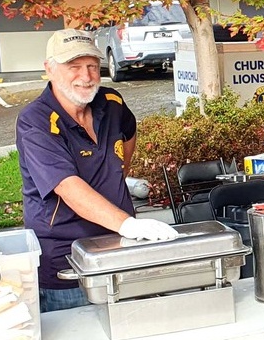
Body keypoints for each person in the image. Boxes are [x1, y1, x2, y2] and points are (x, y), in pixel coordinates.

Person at [17, 29, 179, 313]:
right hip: (68, 264)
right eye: (74, 66)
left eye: (92, 65)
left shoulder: (111, 102)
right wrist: (129, 224)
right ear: (49, 69)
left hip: (121, 250)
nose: (86, 76)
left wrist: (116, 174)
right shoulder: (35, 121)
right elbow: (67, 186)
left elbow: (129, 132)